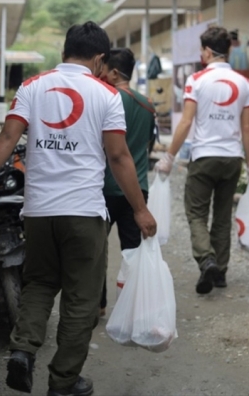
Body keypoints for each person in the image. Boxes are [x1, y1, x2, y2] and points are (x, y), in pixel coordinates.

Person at [0, 22, 157, 396]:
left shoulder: (33, 86)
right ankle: (63, 382)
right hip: (84, 212)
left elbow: (7, 137)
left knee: (38, 284)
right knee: (82, 300)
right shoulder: (106, 95)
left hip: (37, 211)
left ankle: (22, 351)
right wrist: (140, 210)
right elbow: (118, 156)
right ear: (100, 58)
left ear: (65, 50)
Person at [155, 26, 249, 295]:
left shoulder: (197, 80)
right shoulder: (243, 83)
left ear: (207, 51)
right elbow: (247, 129)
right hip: (232, 160)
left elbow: (187, 122)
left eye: (201, 50)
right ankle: (220, 273)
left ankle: (207, 259)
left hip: (203, 157)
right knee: (223, 216)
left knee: (196, 214)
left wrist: (169, 156)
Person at [98, 48, 156, 317]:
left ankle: (97, 306)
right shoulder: (147, 104)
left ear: (114, 72)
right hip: (137, 189)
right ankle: (131, 306)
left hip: (105, 186)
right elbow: (148, 146)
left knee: (96, 250)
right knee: (131, 250)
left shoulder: (107, 98)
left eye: (103, 69)